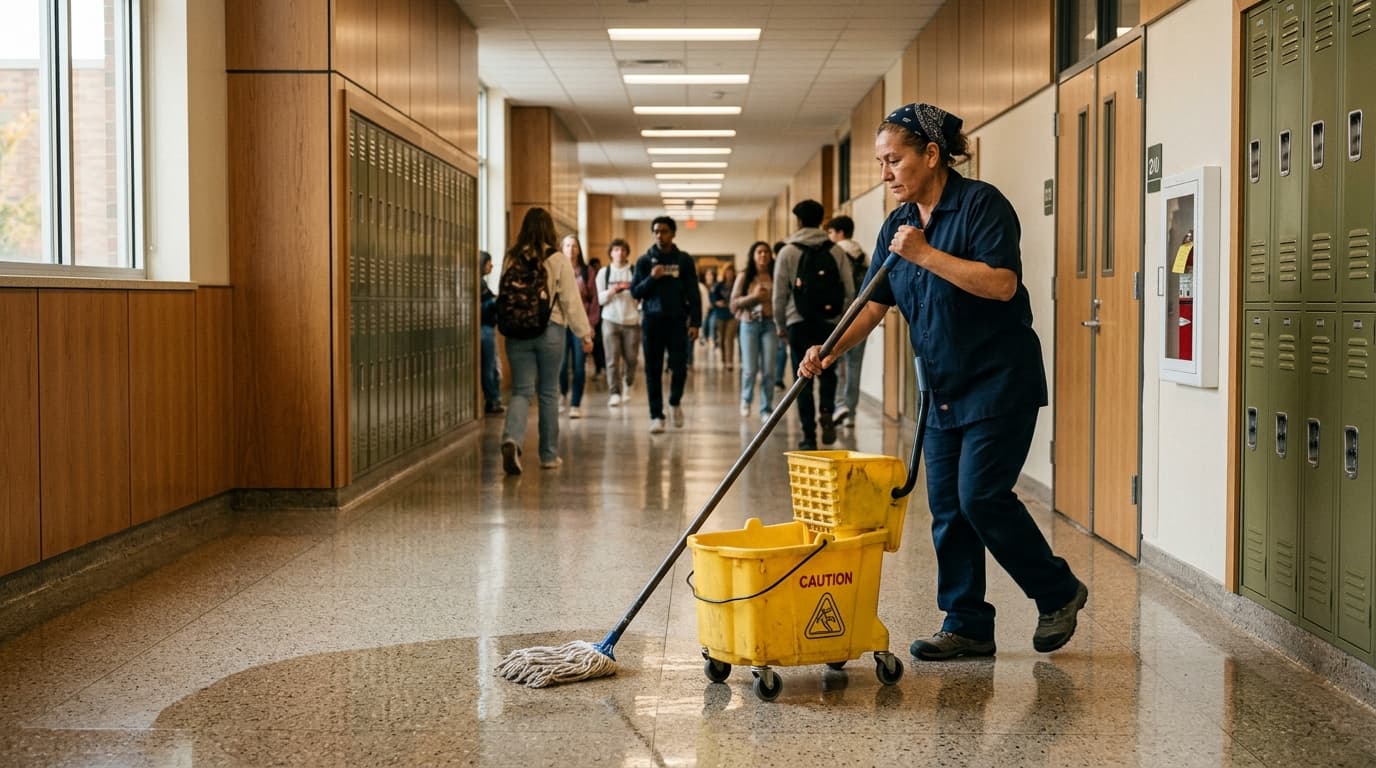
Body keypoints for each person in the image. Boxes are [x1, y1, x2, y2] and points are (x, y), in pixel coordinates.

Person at [798, 103, 1088, 660]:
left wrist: (927, 255)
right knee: (948, 508)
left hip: (998, 382)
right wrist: (829, 348)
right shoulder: (895, 225)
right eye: (881, 162)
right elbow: (874, 302)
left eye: (894, 160)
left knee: (980, 496)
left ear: (931, 155)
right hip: (941, 390)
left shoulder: (981, 205)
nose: (886, 174)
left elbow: (1002, 284)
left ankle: (1057, 590)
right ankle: (967, 623)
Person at [499, 208, 593, 474]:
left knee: (521, 390)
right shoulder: (557, 259)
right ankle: (549, 456)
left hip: (518, 331)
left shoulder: (512, 256)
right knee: (549, 392)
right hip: (550, 330)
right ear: (550, 229)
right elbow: (571, 302)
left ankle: (512, 439)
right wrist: (584, 334)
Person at [773, 199, 854, 450]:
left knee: (803, 376)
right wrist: (842, 322)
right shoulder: (836, 250)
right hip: (829, 322)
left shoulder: (787, 251)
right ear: (821, 221)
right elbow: (850, 291)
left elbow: (779, 295)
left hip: (798, 322)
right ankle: (828, 411)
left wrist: (780, 325)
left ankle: (809, 435)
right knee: (828, 371)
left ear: (798, 221)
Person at [631, 215, 701, 433]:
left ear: (673, 234)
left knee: (679, 367)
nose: (660, 235)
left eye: (664, 231)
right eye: (656, 231)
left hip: (677, 321)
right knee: (653, 370)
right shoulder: (644, 261)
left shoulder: (684, 260)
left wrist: (695, 322)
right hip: (652, 322)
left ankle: (674, 402)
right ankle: (656, 416)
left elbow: (693, 292)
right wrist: (652, 277)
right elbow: (635, 291)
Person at [824, 215, 869, 427]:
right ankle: (850, 412)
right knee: (855, 366)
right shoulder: (863, 255)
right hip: (863, 317)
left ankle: (839, 404)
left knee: (835, 360)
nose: (829, 237)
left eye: (831, 232)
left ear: (839, 233)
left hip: (839, 316)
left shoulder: (834, 253)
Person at [730, 241, 776, 417]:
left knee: (769, 371)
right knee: (750, 369)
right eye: (759, 252)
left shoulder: (775, 275)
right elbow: (733, 304)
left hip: (770, 324)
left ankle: (766, 408)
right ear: (753, 255)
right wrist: (754, 297)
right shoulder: (744, 276)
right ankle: (746, 399)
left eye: (766, 252)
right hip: (749, 324)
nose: (763, 255)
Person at [596, 238, 640, 407]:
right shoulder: (603, 273)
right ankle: (614, 392)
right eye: (616, 250)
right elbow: (599, 299)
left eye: (622, 250)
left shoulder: (634, 271)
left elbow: (641, 294)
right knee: (612, 359)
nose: (619, 253)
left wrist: (637, 298)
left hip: (631, 321)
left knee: (631, 358)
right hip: (610, 320)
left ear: (627, 253)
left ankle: (628, 383)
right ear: (611, 253)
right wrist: (612, 291)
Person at [558, 234, 598, 419]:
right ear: (561, 248)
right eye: (567, 245)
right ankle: (562, 393)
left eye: (574, 246)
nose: (571, 249)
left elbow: (594, 300)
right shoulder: (556, 268)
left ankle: (575, 403)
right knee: (561, 365)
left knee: (579, 366)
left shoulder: (586, 271)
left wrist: (590, 324)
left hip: (580, 324)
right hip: (560, 323)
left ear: (579, 249)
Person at [479, 251, 504, 415]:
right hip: (485, 329)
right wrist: (494, 302)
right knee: (489, 366)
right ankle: (492, 400)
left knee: (492, 366)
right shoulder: (478, 284)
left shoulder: (481, 283)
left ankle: (494, 399)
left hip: (487, 328)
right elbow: (479, 307)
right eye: (489, 262)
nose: (492, 265)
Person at [711, 264, 738, 369]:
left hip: (732, 315)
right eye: (727, 272)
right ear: (725, 273)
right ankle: (723, 360)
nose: (729, 274)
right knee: (721, 339)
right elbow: (712, 297)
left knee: (729, 338)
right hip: (720, 314)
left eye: (731, 272)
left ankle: (729, 362)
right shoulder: (718, 285)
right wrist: (716, 303)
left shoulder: (736, 284)